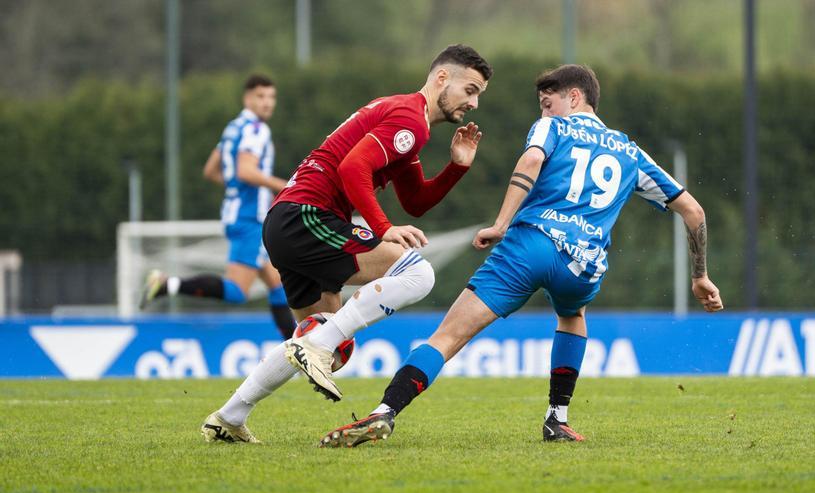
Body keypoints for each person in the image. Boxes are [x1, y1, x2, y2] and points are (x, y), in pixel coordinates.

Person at [319, 64, 724, 448]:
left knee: (447, 337)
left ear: (575, 97)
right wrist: (700, 275)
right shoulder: (630, 152)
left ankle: (385, 410)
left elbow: (532, 159)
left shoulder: (554, 127)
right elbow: (694, 211)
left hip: (530, 246)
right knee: (573, 316)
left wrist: (499, 223)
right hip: (583, 266)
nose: (544, 110)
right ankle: (557, 418)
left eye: (548, 102)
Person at [199, 45, 493, 443]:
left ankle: (229, 417)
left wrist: (457, 166)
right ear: (442, 78)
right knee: (418, 272)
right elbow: (352, 167)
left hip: (288, 222)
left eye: (479, 95)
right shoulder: (411, 119)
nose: (473, 102)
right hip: (307, 216)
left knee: (320, 341)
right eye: (470, 89)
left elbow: (416, 202)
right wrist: (383, 227)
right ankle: (314, 347)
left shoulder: (406, 119)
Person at [140, 75, 295, 340]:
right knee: (237, 291)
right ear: (247, 98)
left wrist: (237, 189)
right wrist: (284, 187)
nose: (267, 103)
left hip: (238, 214)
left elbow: (211, 171)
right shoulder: (256, 130)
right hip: (250, 220)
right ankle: (168, 284)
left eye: (271, 97)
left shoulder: (234, 128)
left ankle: (295, 353)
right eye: (261, 96)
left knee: (277, 284)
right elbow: (245, 171)